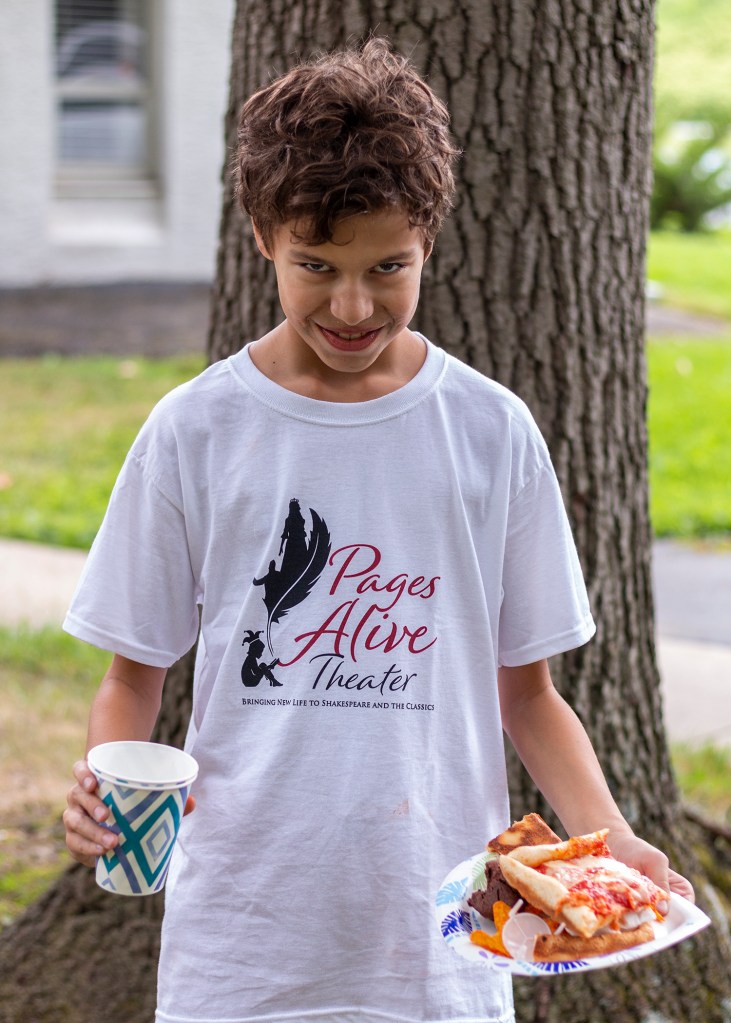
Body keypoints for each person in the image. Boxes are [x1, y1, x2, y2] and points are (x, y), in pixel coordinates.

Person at [63, 37, 693, 1023]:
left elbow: (528, 695)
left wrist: (606, 838)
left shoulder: (489, 432)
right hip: (241, 949)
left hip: (438, 957)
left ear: (427, 241)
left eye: (386, 267)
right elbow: (131, 674)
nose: (352, 305)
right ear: (262, 237)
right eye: (315, 266)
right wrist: (108, 789)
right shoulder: (196, 430)